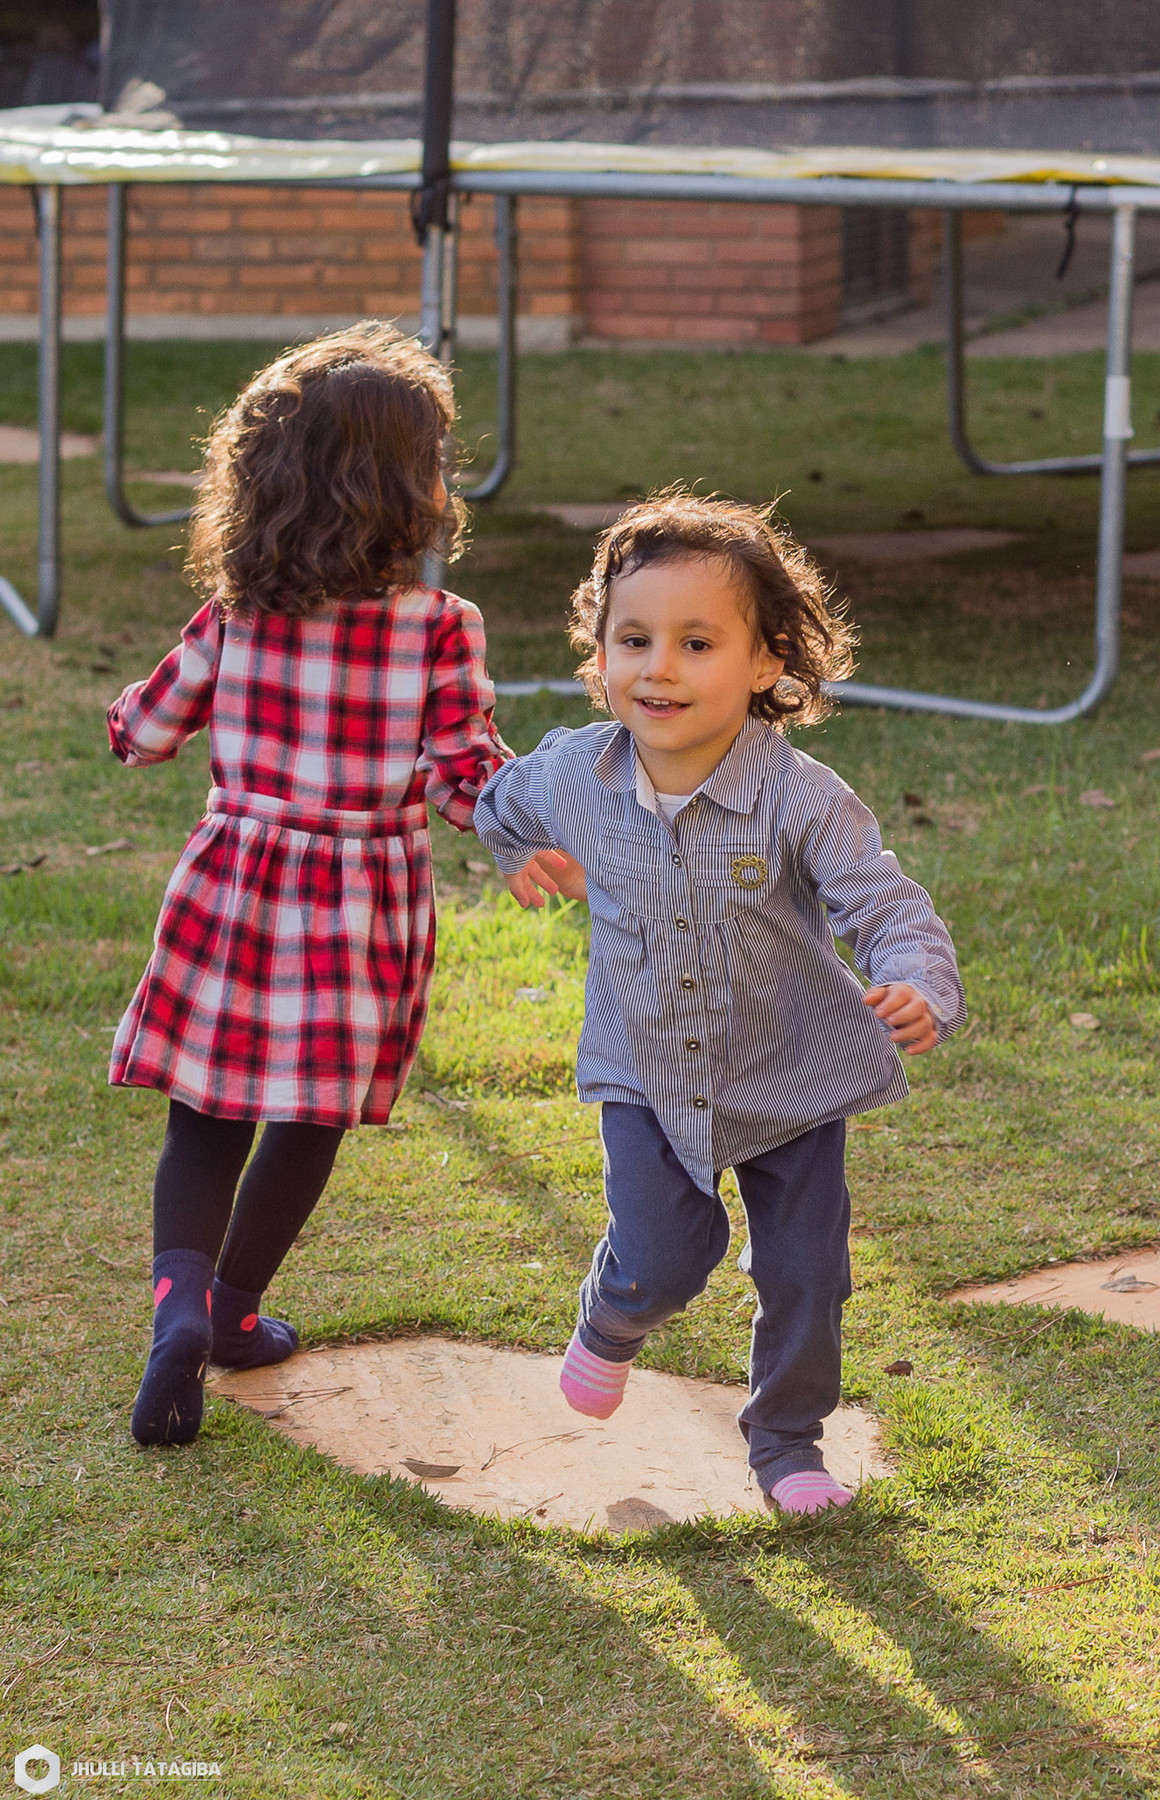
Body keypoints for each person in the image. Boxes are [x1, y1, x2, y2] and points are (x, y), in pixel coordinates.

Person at [107, 323, 561, 1448]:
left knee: (205, 1116)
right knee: (308, 1118)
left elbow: (145, 733)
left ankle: (177, 1304)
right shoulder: (439, 629)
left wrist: (126, 714)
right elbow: (462, 771)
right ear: (414, 490)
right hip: (361, 899)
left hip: (233, 885)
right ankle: (233, 1308)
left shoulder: (234, 618)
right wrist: (516, 837)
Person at [474, 491, 965, 1516]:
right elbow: (496, 802)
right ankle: (614, 1316)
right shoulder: (570, 772)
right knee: (665, 1254)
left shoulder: (800, 798)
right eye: (633, 639)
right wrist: (522, 853)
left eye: (696, 643)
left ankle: (786, 1443)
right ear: (597, 651)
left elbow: (884, 903)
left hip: (791, 1070)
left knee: (804, 1275)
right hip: (645, 1066)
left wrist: (919, 984)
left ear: (764, 662)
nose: (658, 668)